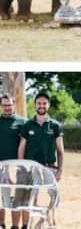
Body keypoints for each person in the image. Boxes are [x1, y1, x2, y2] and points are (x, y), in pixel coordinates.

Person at [16, 92, 64, 226]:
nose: (41, 106)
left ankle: (46, 218)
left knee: (54, 196)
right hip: (31, 167)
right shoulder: (27, 125)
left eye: (44, 103)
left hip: (50, 167)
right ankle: (32, 223)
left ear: (48, 105)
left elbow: (60, 149)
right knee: (32, 195)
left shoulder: (55, 125)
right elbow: (21, 147)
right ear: (35, 105)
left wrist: (60, 169)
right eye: (39, 103)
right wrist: (22, 167)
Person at [0, 95, 27, 229]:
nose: (7, 108)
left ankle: (16, 226)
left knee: (18, 197)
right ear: (1, 106)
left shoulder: (23, 122)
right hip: (0, 167)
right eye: (4, 105)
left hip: (18, 167)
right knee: (2, 198)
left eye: (9, 105)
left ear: (14, 105)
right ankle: (2, 224)